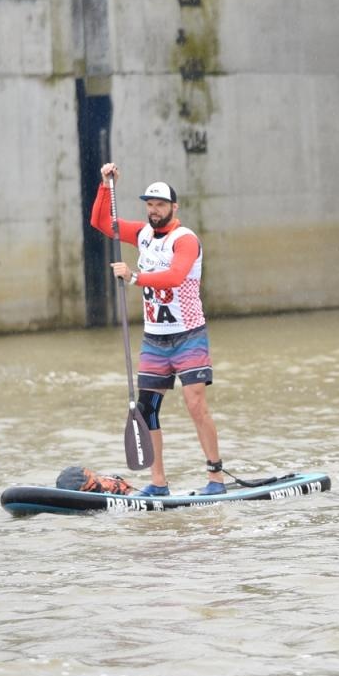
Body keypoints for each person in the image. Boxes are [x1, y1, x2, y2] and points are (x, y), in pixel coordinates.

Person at [90, 162, 227, 496]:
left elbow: (176, 276)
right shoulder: (142, 235)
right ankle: (158, 484)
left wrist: (134, 277)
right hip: (155, 338)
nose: (153, 211)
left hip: (189, 335)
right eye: (149, 205)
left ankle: (216, 479)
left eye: (160, 205)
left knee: (196, 405)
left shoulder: (185, 240)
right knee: (147, 408)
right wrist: (105, 186)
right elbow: (100, 222)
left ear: (173, 208)